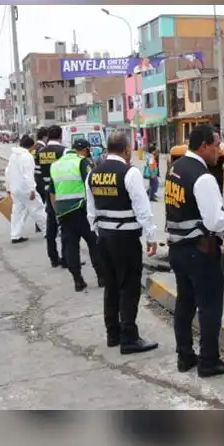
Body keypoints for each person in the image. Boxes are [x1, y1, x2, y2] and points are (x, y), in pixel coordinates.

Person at [165, 125, 224, 378]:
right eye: (217, 145)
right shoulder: (203, 177)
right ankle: (209, 361)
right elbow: (214, 222)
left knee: (185, 303)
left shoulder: (175, 169)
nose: (219, 151)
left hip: (178, 249)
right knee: (209, 307)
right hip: (201, 251)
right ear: (205, 146)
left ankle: (185, 356)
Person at [86, 132, 160, 354]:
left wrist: (99, 231)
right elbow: (142, 207)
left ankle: (113, 334)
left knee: (111, 286)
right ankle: (129, 337)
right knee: (128, 287)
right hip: (126, 239)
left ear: (108, 149)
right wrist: (150, 236)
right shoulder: (130, 173)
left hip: (104, 238)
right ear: (127, 149)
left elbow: (91, 211)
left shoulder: (93, 174)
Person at [51, 139, 103, 292]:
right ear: (85, 150)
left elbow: (52, 193)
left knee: (71, 246)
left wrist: (57, 213)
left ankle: (77, 280)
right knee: (93, 243)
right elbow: (91, 186)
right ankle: (101, 276)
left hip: (64, 212)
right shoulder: (82, 162)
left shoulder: (56, 164)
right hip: (82, 209)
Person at [36, 125, 68, 268]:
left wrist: (45, 189)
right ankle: (68, 258)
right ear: (60, 136)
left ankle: (53, 258)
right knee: (66, 228)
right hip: (62, 193)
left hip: (48, 193)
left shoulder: (40, 152)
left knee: (51, 228)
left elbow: (37, 174)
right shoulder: (64, 151)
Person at [6, 135, 48, 244]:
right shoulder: (27, 156)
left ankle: (15, 235)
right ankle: (48, 231)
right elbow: (28, 175)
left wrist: (8, 187)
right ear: (32, 146)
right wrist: (32, 189)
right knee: (37, 208)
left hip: (15, 188)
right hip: (25, 189)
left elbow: (7, 172)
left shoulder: (13, 156)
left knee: (17, 212)